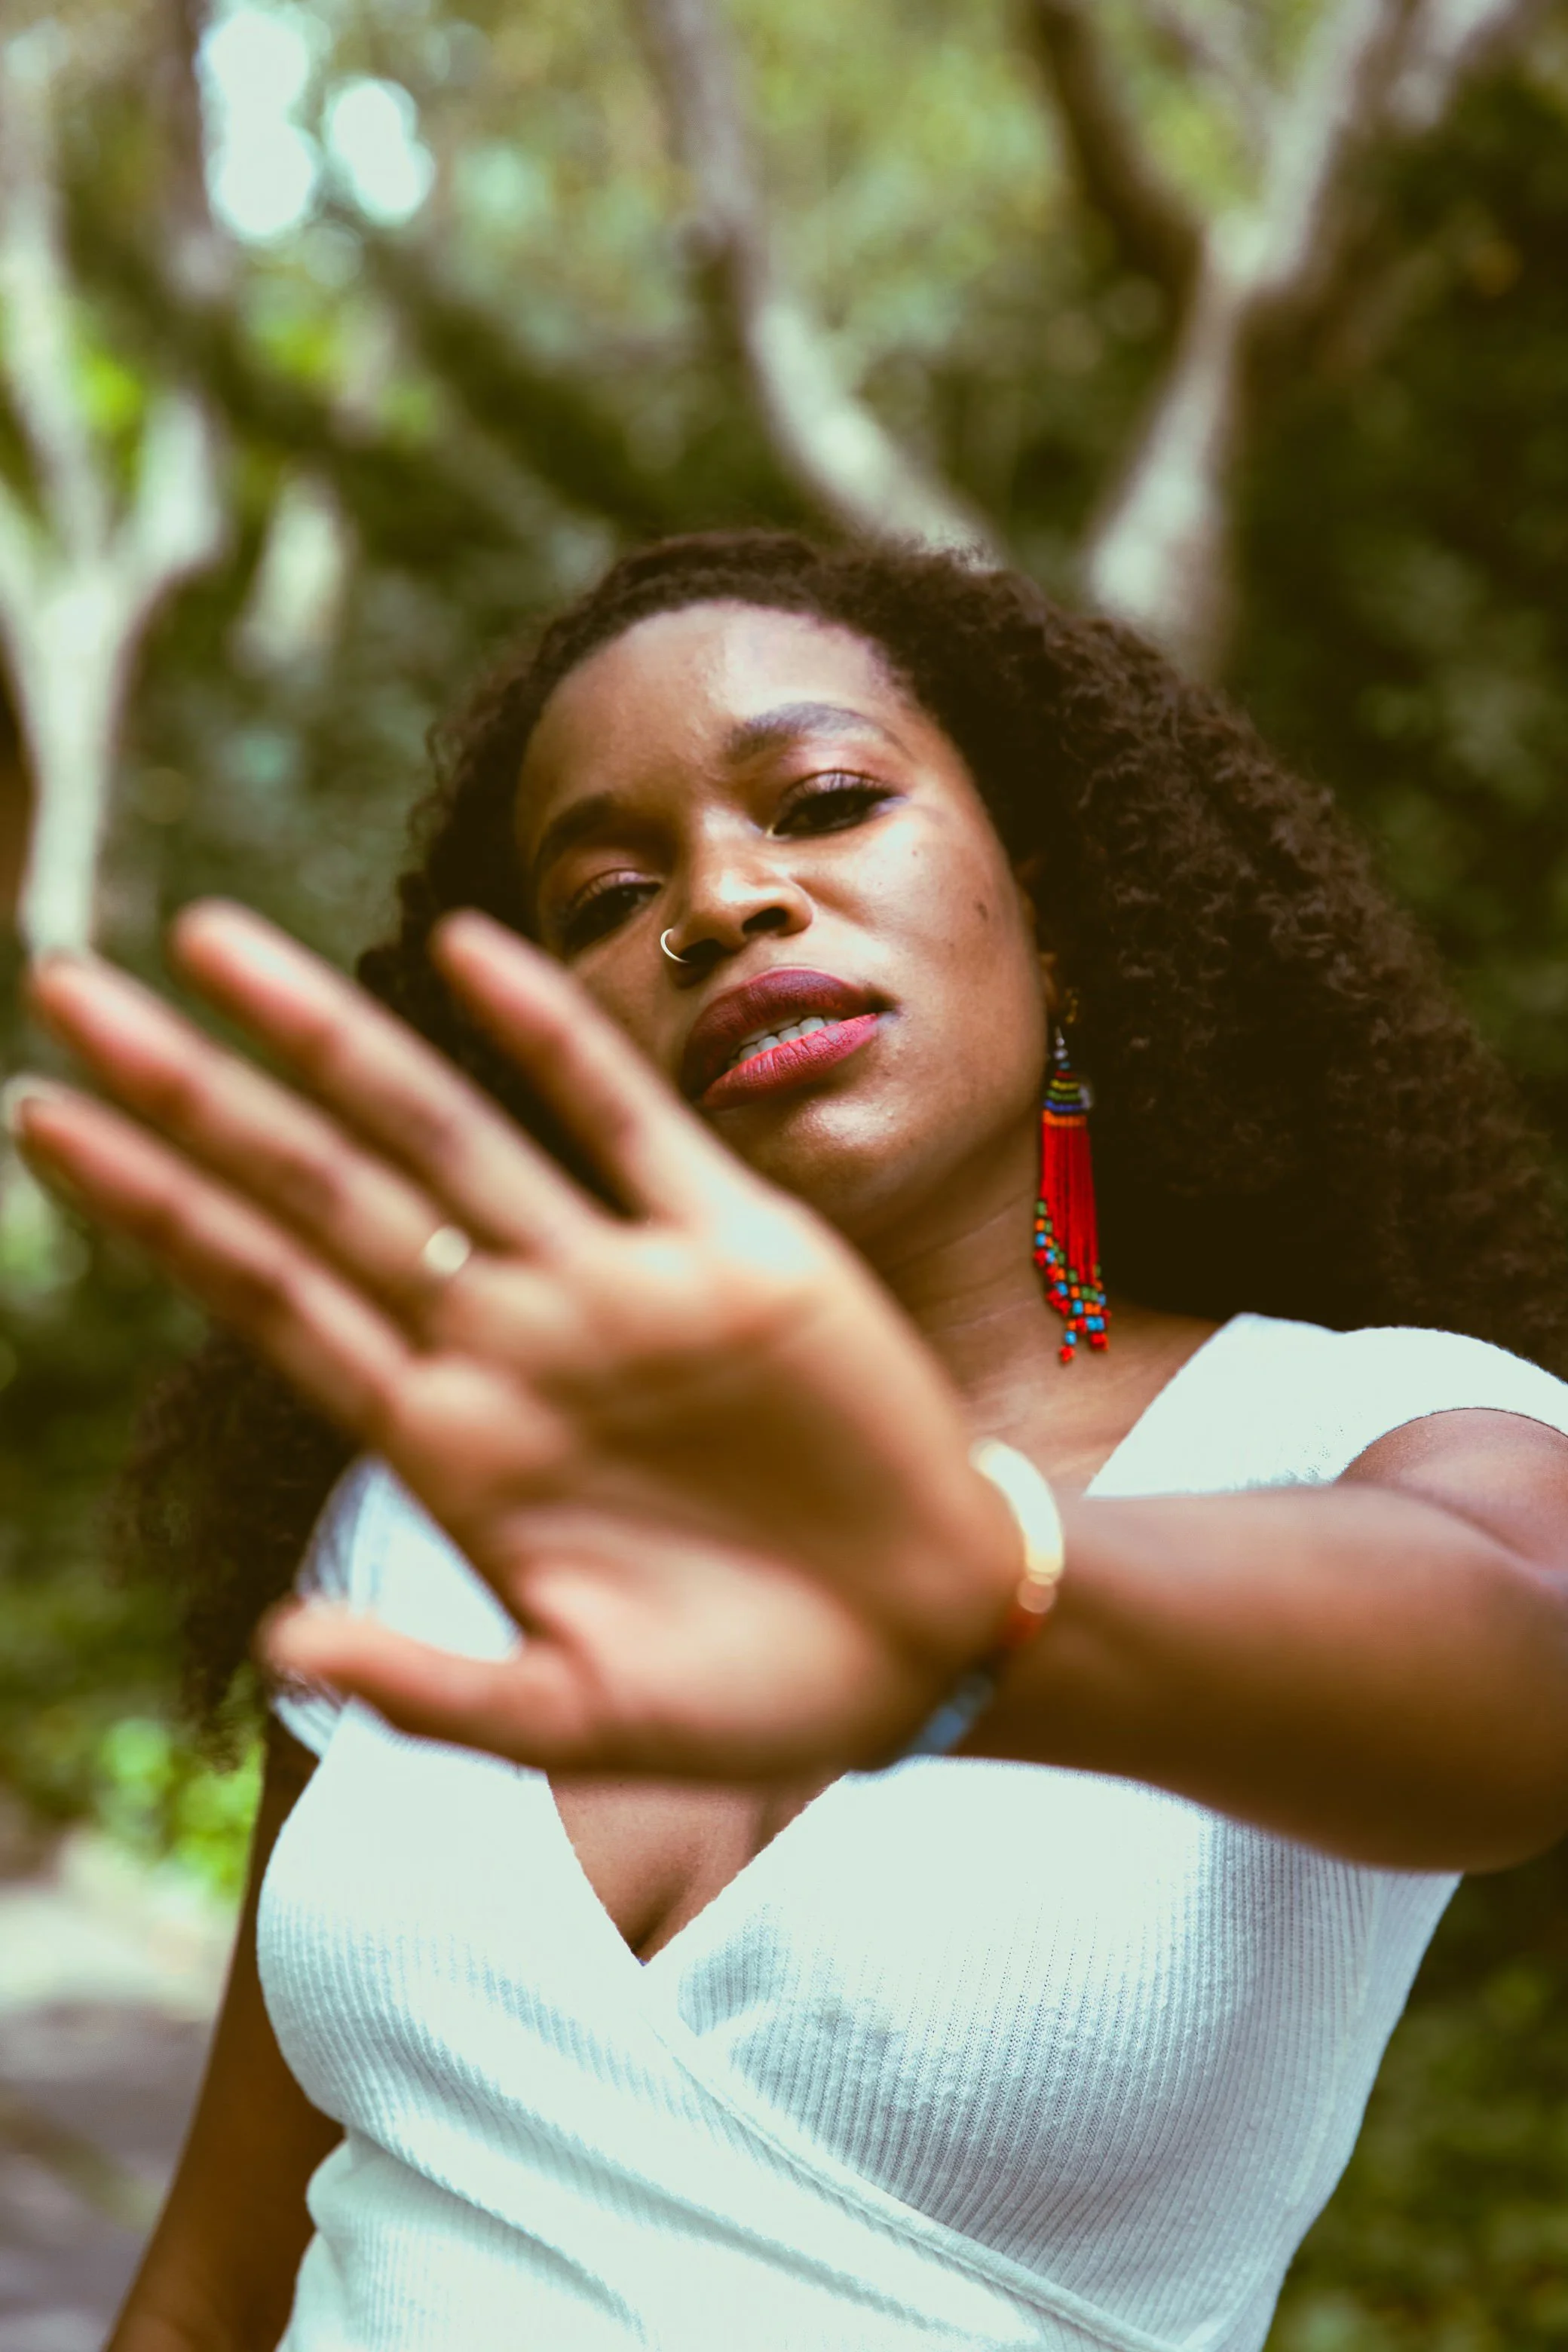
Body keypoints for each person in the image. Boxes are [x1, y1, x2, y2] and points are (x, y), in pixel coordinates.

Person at [17, 530, 1568, 2352]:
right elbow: (213, 2287)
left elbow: (1523, 1664)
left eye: (823, 802)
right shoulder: (439, 1501)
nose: (717, 903)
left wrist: (981, 1602)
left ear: (1054, 912)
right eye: (601, 898)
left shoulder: (1353, 1426)